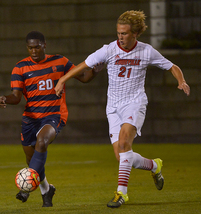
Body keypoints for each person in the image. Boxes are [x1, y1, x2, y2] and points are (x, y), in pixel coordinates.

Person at [55, 10, 190, 208]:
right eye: (118, 33)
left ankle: (121, 193)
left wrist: (181, 81)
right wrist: (62, 80)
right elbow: (84, 65)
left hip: (135, 103)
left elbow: (172, 66)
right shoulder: (109, 50)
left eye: (124, 33)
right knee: (122, 156)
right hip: (113, 107)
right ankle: (154, 165)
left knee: (125, 142)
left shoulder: (146, 51)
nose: (120, 37)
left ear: (135, 34)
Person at [0, 31, 100, 207]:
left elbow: (84, 77)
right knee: (33, 160)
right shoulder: (20, 67)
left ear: (44, 45)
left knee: (42, 142)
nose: (34, 51)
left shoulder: (60, 62)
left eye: (37, 47)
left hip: (54, 114)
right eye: (30, 48)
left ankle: (25, 189)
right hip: (31, 118)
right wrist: (5, 98)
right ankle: (46, 190)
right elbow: (16, 96)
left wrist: (96, 68)